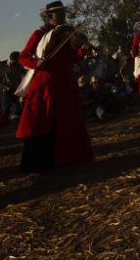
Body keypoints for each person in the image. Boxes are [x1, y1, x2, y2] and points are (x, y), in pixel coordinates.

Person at [15, 24, 93, 172]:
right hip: (45, 85)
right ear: (49, 16)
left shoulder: (64, 36)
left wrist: (82, 51)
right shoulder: (39, 34)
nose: (62, 16)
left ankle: (66, 158)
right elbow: (23, 56)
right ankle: (42, 162)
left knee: (65, 121)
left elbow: (70, 57)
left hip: (64, 85)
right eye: (58, 13)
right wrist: (35, 63)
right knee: (43, 122)